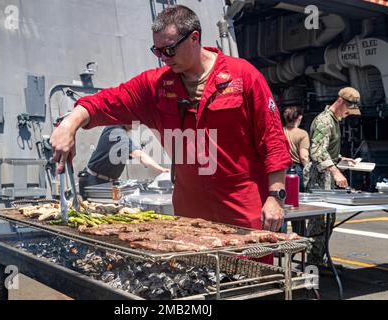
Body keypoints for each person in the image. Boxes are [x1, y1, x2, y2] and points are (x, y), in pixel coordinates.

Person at [50, 5, 291, 241]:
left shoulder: (243, 76)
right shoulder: (155, 87)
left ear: (194, 38)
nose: (164, 58)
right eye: (157, 51)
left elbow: (272, 139)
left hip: (242, 207)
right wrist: (70, 123)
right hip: (191, 213)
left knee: (251, 278)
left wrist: (275, 196)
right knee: (193, 277)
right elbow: (107, 101)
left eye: (169, 50)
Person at [305, 87, 361, 266]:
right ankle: (313, 263)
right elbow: (317, 151)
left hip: (326, 179)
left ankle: (321, 258)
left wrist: (341, 159)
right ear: (340, 102)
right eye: (348, 110)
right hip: (319, 179)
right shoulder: (324, 122)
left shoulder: (334, 121)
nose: (348, 114)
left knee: (328, 222)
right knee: (318, 223)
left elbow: (327, 150)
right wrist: (336, 171)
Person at [83, 125, 169, 187]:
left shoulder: (121, 133)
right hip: (94, 181)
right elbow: (138, 155)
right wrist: (161, 169)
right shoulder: (115, 131)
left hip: (108, 182)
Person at [282, 106, 309, 192]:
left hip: (280, 169)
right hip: (296, 170)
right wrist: (308, 171)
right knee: (297, 199)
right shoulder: (302, 134)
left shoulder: (279, 131)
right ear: (300, 118)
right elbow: (304, 157)